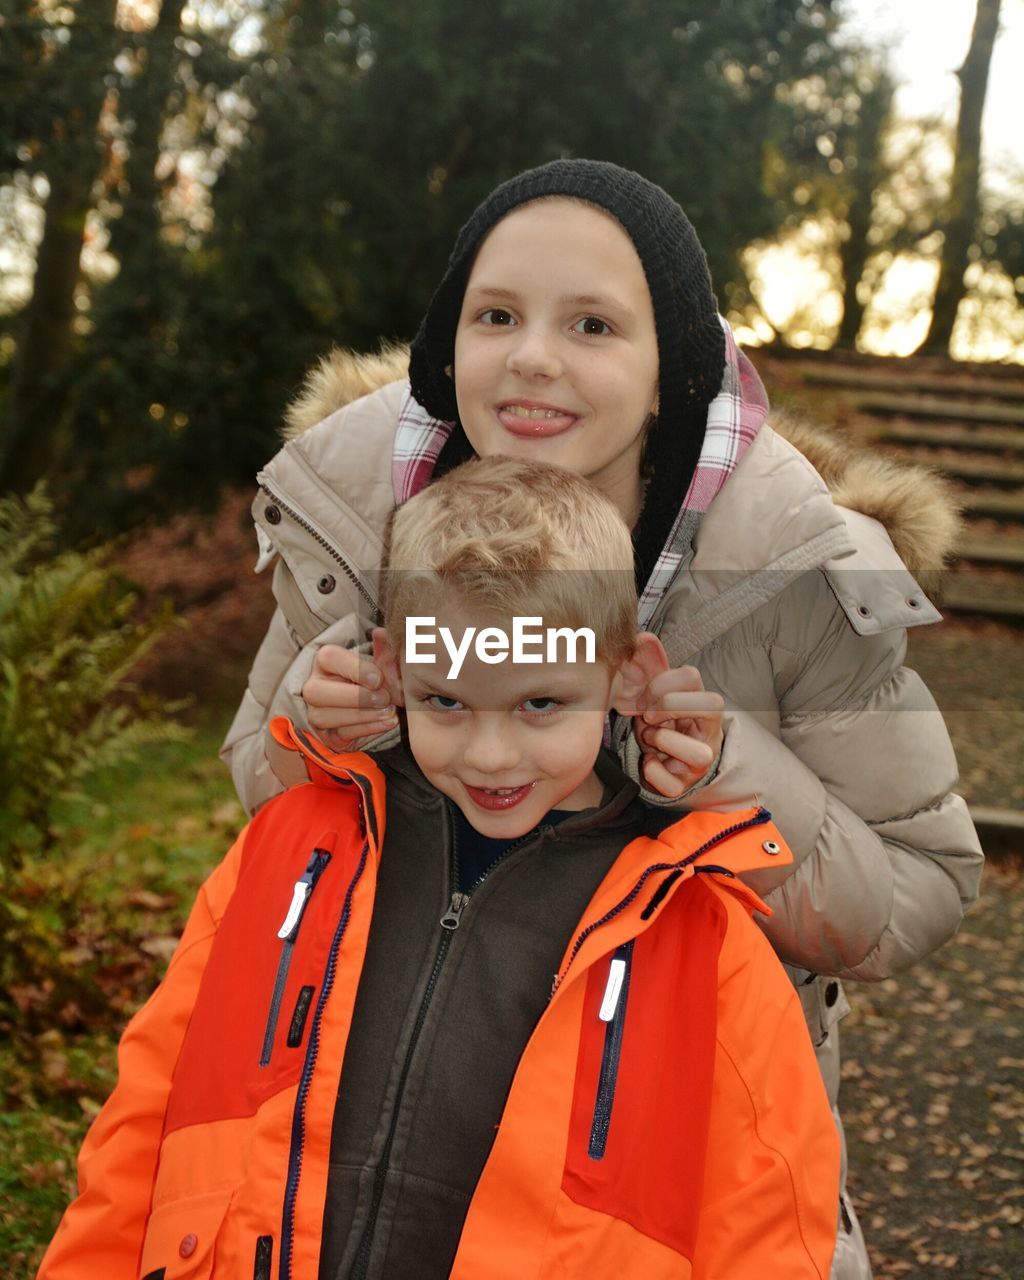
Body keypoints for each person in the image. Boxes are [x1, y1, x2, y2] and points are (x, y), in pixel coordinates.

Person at [221, 159, 984, 1278]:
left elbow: (916, 891)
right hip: (364, 1146)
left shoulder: (792, 573)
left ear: (670, 362)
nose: (533, 355)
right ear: (448, 342)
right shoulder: (359, 507)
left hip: (657, 1185)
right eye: (495, 315)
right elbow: (259, 798)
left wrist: (734, 773)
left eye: (591, 323)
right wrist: (317, 723)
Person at [38, 457, 840, 1280]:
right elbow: (144, 1121)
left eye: (540, 704)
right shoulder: (289, 854)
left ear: (626, 676)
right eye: (447, 702)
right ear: (390, 669)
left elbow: (766, 1224)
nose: (491, 756)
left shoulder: (695, 932)